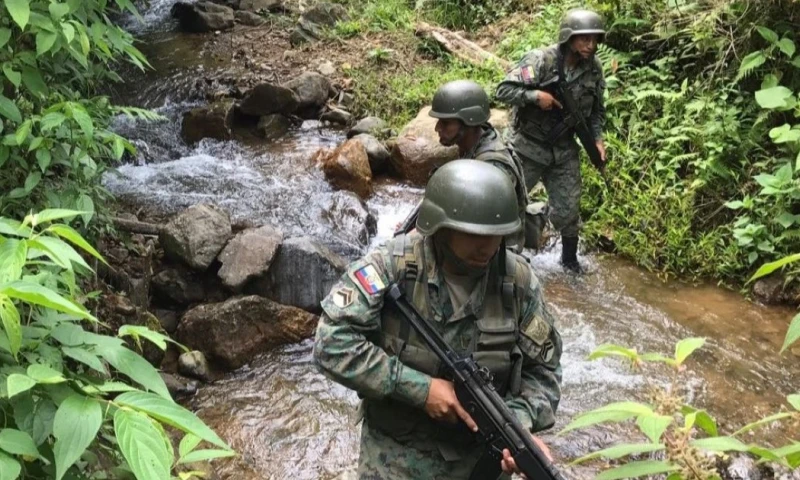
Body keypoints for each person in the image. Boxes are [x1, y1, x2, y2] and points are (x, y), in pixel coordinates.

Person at [314, 159, 563, 479]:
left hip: (480, 461)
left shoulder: (517, 283)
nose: (487, 245)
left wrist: (517, 427)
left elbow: (544, 371)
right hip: (396, 458)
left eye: (497, 234)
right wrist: (421, 389)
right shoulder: (393, 266)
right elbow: (330, 344)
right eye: (473, 233)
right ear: (441, 227)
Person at [495, 8, 608, 273]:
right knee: (509, 204)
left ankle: (569, 262)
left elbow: (596, 112)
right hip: (527, 148)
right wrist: (535, 97)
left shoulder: (594, 70)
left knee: (569, 211)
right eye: (584, 39)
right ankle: (506, 260)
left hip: (564, 151)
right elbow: (503, 89)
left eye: (594, 40)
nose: (590, 46)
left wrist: (598, 139)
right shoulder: (541, 60)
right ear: (568, 37)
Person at [397, 80, 538, 251]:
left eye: (446, 123)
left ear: (469, 122)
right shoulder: (475, 143)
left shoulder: (493, 167)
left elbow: (481, 227)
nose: (437, 128)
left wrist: (419, 235)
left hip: (493, 254)